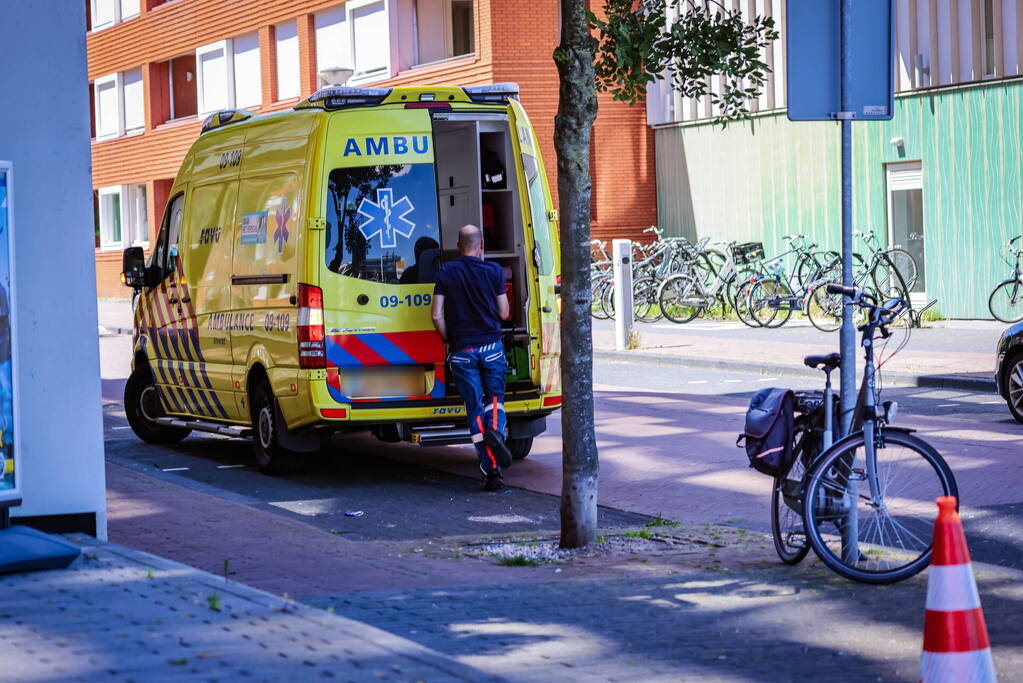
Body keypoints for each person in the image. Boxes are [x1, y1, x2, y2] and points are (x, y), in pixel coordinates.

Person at [431, 225, 511, 491]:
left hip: (462, 350)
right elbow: (504, 313)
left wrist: (447, 338)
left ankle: (492, 469)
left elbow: (436, 315)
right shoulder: (494, 271)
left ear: (458, 245)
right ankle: (496, 433)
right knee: (495, 398)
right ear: (482, 245)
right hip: (491, 346)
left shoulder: (446, 272)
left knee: (474, 406)